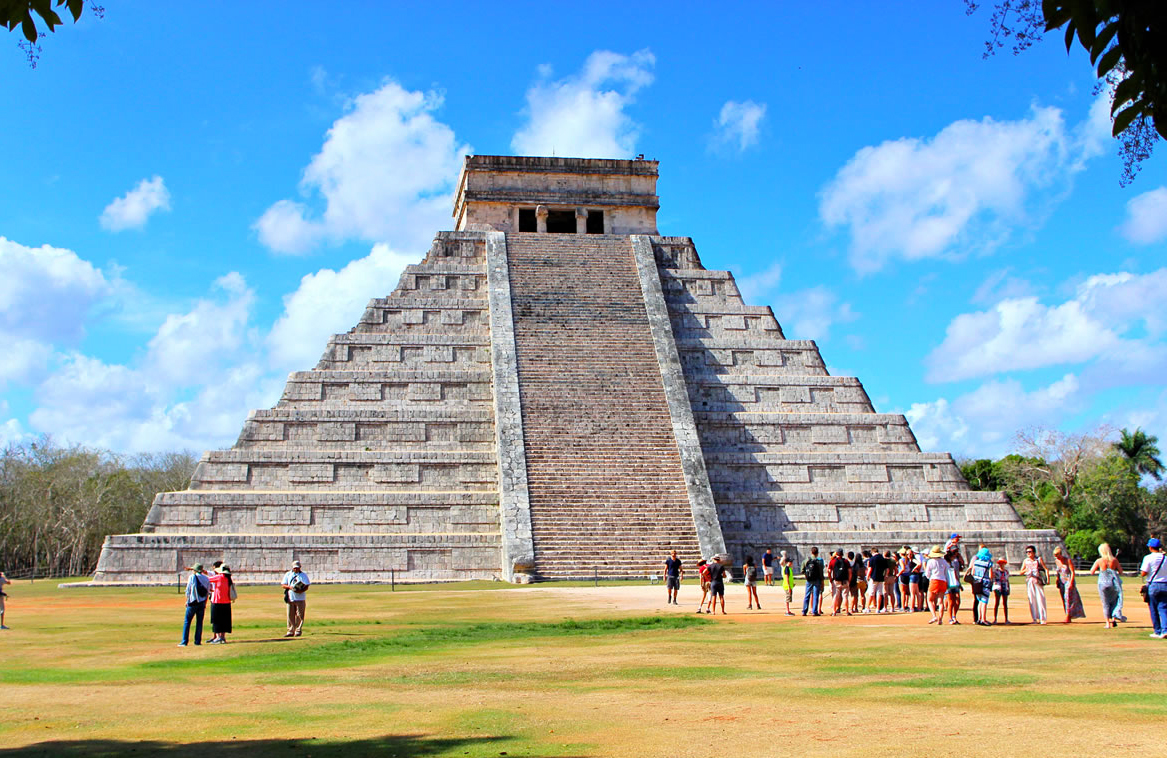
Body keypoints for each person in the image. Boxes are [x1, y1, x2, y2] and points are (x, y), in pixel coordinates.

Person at [1090, 543, 1123, 628]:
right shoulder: (1114, 560)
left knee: (1105, 603)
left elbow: (1092, 571)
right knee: (1114, 601)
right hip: (1113, 583)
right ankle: (1114, 619)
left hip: (1103, 583)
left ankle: (1107, 623)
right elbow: (1121, 571)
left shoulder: (1099, 561)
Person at [1140, 537, 1167, 638]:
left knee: (1153, 609)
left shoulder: (1148, 558)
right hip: (1165, 584)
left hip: (1153, 585)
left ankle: (1157, 631)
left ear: (1150, 547)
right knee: (1163, 608)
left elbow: (1143, 573)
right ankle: (1165, 630)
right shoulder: (1165, 558)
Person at [1051, 547, 1085, 624]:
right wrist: (1057, 580)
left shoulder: (1067, 560)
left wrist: (1071, 582)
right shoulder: (1057, 561)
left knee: (1068, 598)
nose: (1056, 557)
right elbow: (1058, 572)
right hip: (1061, 581)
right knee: (1064, 598)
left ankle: (1068, 616)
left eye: (1057, 555)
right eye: (1055, 556)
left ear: (1060, 554)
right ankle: (1067, 614)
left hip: (1068, 580)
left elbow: (1072, 572)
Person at [179, 563, 210, 647]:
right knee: (199, 622)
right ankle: (197, 641)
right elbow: (207, 591)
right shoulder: (206, 578)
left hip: (193, 602)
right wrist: (205, 603)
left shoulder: (192, 577)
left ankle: (184, 641)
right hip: (202, 602)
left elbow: (188, 590)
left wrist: (187, 601)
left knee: (187, 622)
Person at [1020, 545, 1049, 625]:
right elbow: (1021, 572)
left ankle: (1043, 618)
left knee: (1041, 599)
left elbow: (1046, 569)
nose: (1028, 553)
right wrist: (1026, 570)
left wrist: (1047, 579)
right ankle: (1034, 618)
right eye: (1027, 552)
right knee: (1032, 599)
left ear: (1034, 552)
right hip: (1030, 580)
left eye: (1030, 552)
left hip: (1038, 580)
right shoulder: (1026, 561)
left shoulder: (1038, 560)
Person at [281, 559, 310, 637]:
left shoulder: (303, 575)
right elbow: (283, 585)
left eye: (297, 568)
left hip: (300, 598)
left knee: (300, 615)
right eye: (295, 568)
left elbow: (307, 586)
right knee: (290, 615)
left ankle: (298, 630)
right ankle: (290, 630)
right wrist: (290, 587)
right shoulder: (288, 574)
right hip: (290, 597)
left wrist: (300, 590)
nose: (296, 569)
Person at [208, 565, 235, 644]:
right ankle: (222, 637)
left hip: (217, 602)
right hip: (226, 602)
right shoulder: (228, 579)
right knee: (224, 621)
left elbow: (208, 579)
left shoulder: (219, 577)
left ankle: (218, 637)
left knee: (216, 620)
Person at [967, 546, 994, 625]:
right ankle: (983, 619)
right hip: (985, 583)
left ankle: (979, 618)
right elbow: (991, 575)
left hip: (976, 583)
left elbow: (973, 573)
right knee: (984, 601)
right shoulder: (988, 563)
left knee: (979, 601)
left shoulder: (976, 562)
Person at [923, 545, 948, 625]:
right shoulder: (944, 561)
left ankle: (934, 616)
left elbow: (927, 573)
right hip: (943, 580)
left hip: (934, 580)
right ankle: (940, 619)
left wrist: (929, 578)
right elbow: (946, 572)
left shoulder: (931, 561)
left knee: (930, 599)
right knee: (940, 601)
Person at [801, 548, 824, 616]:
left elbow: (802, 570)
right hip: (817, 579)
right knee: (815, 595)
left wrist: (807, 575)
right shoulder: (819, 561)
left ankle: (804, 611)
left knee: (807, 595)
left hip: (809, 580)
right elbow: (821, 572)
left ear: (811, 552)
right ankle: (814, 611)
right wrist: (822, 581)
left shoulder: (806, 560)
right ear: (817, 553)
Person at [828, 548, 850, 616]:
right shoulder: (846, 561)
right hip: (845, 580)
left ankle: (834, 611)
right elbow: (850, 571)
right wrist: (849, 579)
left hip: (836, 580)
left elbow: (829, 571)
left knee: (835, 596)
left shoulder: (832, 561)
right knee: (845, 596)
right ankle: (847, 611)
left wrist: (830, 579)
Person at [945, 547, 963, 624]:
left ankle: (954, 616)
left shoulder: (953, 563)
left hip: (954, 583)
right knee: (951, 601)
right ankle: (950, 618)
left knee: (957, 601)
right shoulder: (945, 564)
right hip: (948, 584)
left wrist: (959, 584)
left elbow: (955, 573)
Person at [865, 548, 886, 613]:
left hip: (873, 577)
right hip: (881, 577)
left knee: (871, 593)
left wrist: (867, 576)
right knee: (879, 593)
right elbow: (886, 569)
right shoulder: (882, 559)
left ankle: (867, 608)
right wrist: (884, 576)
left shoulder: (872, 559)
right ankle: (878, 608)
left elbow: (870, 569)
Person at [991, 558, 1011, 624]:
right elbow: (993, 579)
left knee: (1005, 603)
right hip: (998, 587)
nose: (1001, 564)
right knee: (997, 602)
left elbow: (1007, 580)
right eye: (1000, 563)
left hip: (1005, 587)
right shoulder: (996, 571)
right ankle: (995, 619)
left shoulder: (1006, 572)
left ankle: (1006, 619)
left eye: (1002, 563)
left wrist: (1008, 588)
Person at [779, 552, 795, 616]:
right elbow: (787, 578)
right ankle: (787, 611)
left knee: (789, 598)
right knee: (787, 598)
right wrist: (789, 586)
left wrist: (792, 584)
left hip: (789, 585)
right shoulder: (787, 568)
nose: (791, 563)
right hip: (787, 585)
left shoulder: (789, 568)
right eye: (790, 562)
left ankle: (788, 610)